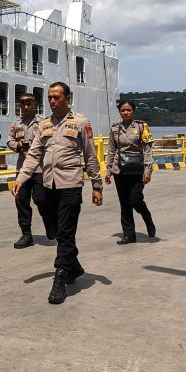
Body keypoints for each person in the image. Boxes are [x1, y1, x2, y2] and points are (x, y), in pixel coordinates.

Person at [11, 82, 103, 305]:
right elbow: (33, 154)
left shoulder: (81, 123)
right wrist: (21, 178)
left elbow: (90, 156)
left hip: (70, 185)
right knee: (55, 230)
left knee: (65, 235)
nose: (52, 101)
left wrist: (97, 185)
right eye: (50, 98)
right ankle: (76, 266)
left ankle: (60, 279)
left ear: (67, 98)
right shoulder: (43, 125)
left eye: (57, 97)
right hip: (48, 184)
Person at [105, 100, 156, 245]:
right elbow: (111, 150)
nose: (125, 112)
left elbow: (147, 149)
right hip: (119, 170)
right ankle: (129, 235)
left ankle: (147, 217)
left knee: (135, 200)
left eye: (128, 110)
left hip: (137, 170)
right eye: (123, 110)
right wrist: (108, 171)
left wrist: (148, 170)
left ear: (133, 111)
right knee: (124, 204)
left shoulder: (141, 126)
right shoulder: (115, 128)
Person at [7, 93, 51, 248]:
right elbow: (9, 140)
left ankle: (49, 222)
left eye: (29, 103)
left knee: (41, 199)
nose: (25, 106)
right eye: (22, 103)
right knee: (21, 201)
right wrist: (17, 146)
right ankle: (26, 234)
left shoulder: (44, 122)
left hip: (40, 168)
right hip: (22, 168)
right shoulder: (16, 124)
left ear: (35, 104)